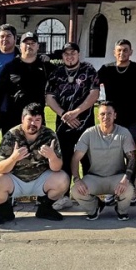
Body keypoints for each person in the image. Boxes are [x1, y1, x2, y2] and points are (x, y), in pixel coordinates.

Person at [0, 103, 70, 226]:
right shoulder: (11, 135)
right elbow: (0, 168)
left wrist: (52, 156)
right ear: (22, 119)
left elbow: (57, 168)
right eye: (29, 119)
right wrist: (14, 158)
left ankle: (45, 208)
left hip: (40, 179)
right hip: (15, 180)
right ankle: (5, 211)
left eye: (37, 120)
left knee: (63, 178)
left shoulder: (49, 135)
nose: (33, 124)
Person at [46, 41, 100, 210]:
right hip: (63, 124)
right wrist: (64, 114)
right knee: (65, 158)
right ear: (62, 56)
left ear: (78, 54)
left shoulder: (88, 70)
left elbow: (94, 93)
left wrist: (76, 112)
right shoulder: (56, 73)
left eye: (73, 53)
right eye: (66, 54)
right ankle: (64, 196)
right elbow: (49, 97)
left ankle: (89, 195)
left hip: (85, 122)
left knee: (87, 159)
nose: (70, 57)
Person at [69, 101, 136, 221]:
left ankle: (121, 210)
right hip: (94, 177)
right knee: (76, 191)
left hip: (117, 177)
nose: (106, 117)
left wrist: (126, 179)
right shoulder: (89, 133)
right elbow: (75, 159)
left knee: (129, 189)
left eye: (109, 113)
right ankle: (95, 207)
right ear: (97, 116)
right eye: (102, 114)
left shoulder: (123, 132)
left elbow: (131, 158)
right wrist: (77, 180)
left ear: (115, 115)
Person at [0, 30, 52, 148]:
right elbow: (0, 91)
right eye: (26, 43)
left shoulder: (45, 67)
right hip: (13, 116)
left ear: (38, 46)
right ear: (20, 46)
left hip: (36, 116)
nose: (29, 46)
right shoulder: (10, 67)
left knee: (38, 150)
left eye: (32, 43)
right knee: (13, 150)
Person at [97, 39, 136, 140]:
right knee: (111, 147)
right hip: (112, 117)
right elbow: (93, 86)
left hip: (133, 117)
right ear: (114, 52)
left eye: (125, 50)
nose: (122, 53)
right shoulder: (106, 69)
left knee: (130, 147)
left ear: (130, 52)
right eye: (119, 50)